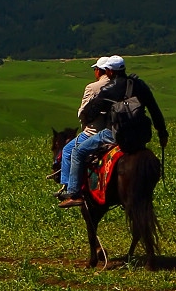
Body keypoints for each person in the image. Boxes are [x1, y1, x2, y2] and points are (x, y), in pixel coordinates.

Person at [57, 54, 168, 207]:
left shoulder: (108, 90)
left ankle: (74, 193)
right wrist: (162, 133)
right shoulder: (140, 85)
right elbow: (154, 110)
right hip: (141, 135)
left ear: (109, 71)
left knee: (78, 152)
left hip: (114, 135)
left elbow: (90, 113)